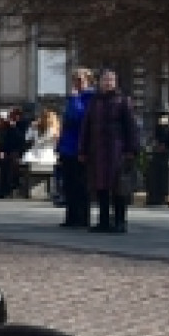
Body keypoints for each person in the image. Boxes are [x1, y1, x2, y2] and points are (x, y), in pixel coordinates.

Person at [80, 69, 142, 233]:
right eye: (105, 80)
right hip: (98, 150)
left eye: (111, 80)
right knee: (101, 187)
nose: (108, 83)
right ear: (100, 83)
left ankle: (120, 221)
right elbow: (86, 126)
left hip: (117, 149)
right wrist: (83, 149)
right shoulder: (95, 102)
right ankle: (104, 220)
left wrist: (132, 149)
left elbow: (131, 127)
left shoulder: (123, 101)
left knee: (119, 187)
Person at [56, 69, 94, 228]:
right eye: (75, 80)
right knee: (69, 183)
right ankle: (71, 215)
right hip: (68, 146)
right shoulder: (74, 98)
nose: (77, 83)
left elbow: (78, 117)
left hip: (80, 146)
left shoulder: (88, 98)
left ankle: (82, 217)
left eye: (80, 80)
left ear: (87, 81)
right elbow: (66, 123)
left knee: (81, 184)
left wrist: (75, 99)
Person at [23, 104, 61, 202]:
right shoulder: (36, 127)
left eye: (46, 117)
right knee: (27, 161)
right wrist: (31, 128)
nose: (44, 119)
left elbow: (43, 141)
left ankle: (51, 191)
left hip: (47, 154)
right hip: (35, 152)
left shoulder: (53, 130)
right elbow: (27, 138)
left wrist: (37, 133)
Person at [0, 107, 29, 198]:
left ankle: (11, 188)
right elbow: (4, 140)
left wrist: (14, 127)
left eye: (15, 115)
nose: (13, 117)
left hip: (19, 150)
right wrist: (2, 150)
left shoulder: (23, 124)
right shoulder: (7, 126)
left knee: (11, 162)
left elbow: (21, 139)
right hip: (8, 150)